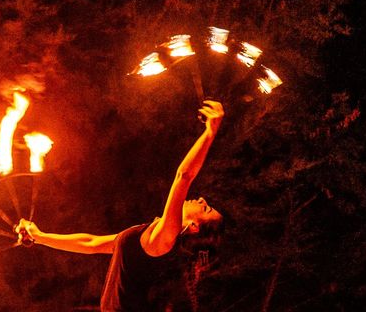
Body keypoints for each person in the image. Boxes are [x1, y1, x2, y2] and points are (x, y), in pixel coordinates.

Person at [15, 100, 225, 311]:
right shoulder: (150, 237)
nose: (202, 200)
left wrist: (209, 133)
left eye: (206, 209)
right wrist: (40, 236)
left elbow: (184, 176)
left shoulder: (164, 239)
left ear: (194, 226)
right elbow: (91, 243)